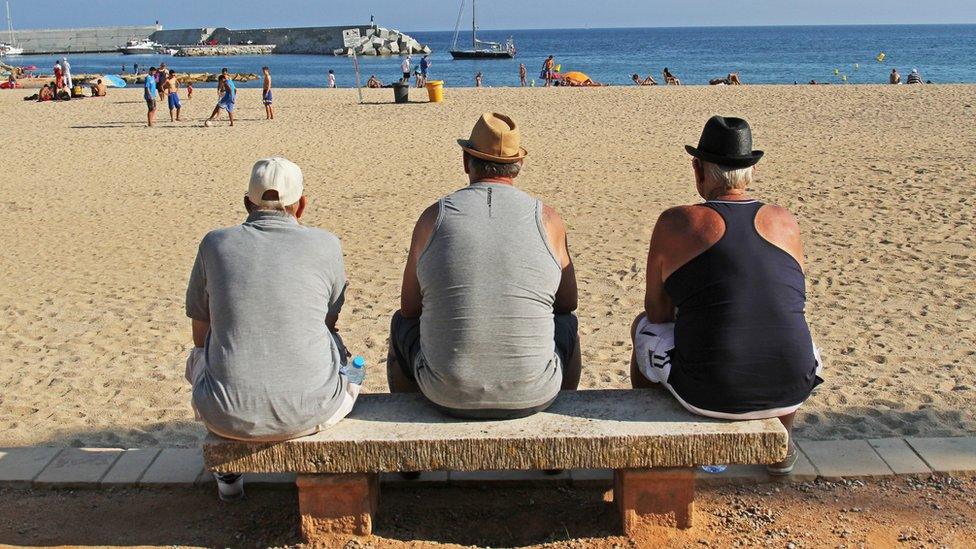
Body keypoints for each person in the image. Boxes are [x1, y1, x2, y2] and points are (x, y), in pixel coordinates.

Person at [630, 116, 822, 476]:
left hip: (709, 393)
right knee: (785, 327)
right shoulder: (785, 220)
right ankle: (782, 443)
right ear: (750, 169)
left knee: (642, 328)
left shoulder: (677, 222)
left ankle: (652, 435)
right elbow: (789, 299)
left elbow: (657, 312)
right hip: (793, 385)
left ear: (698, 168)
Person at [185, 157, 359, 501]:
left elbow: (200, 334)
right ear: (302, 205)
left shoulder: (215, 243)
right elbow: (328, 323)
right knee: (351, 365)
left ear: (247, 203)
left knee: (201, 356)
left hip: (224, 414)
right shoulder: (326, 244)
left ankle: (230, 477)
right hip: (312, 411)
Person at [388, 113, 582, 420]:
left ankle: (406, 443)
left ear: (467, 162)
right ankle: (559, 432)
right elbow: (567, 302)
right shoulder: (548, 219)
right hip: (534, 393)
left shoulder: (432, 217)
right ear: (518, 167)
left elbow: (410, 308)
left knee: (401, 324)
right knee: (567, 323)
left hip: (443, 393)